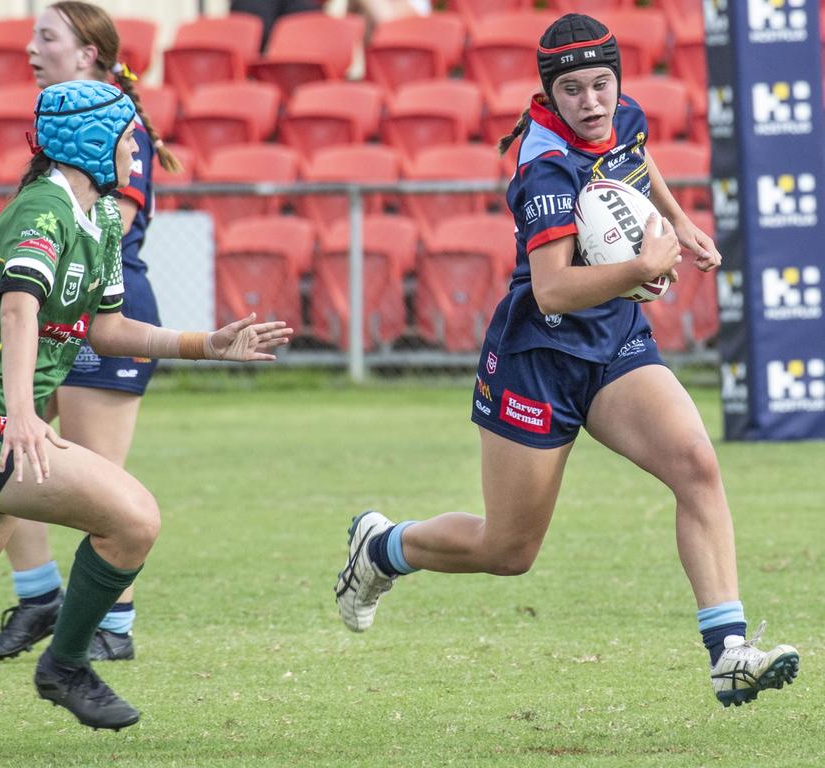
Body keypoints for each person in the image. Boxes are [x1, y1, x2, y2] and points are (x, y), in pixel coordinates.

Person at [0, 79, 291, 759]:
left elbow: (110, 328)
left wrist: (204, 344)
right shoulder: (44, 211)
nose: (137, 150)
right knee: (134, 520)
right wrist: (21, 415)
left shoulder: (97, 219)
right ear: (92, 141)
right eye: (128, 138)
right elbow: (18, 308)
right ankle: (64, 666)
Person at [334, 13, 799, 709]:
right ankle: (382, 549)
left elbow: (636, 158)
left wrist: (678, 221)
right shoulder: (544, 165)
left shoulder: (623, 112)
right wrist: (643, 264)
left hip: (613, 342)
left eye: (602, 84)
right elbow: (552, 286)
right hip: (537, 357)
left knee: (697, 463)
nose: (592, 101)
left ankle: (728, 652)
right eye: (574, 89)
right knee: (508, 551)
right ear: (550, 93)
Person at [0, 0, 183, 666]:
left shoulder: (117, 122)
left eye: (47, 36)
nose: (30, 47)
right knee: (5, 451)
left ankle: (113, 624)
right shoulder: (58, 121)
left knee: (95, 479)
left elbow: (106, 226)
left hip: (101, 312)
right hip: (52, 305)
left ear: (89, 52)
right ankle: (38, 597)